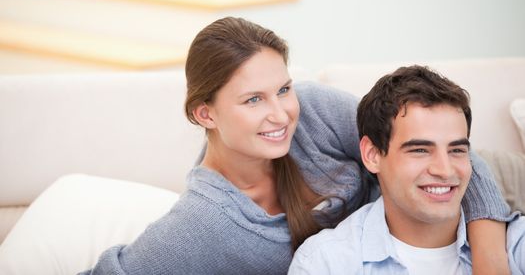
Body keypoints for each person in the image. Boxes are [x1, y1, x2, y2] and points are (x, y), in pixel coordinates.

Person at [82, 18, 512, 274]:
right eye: (253, 100)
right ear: (205, 114)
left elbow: (447, 148)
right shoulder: (201, 226)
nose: (282, 114)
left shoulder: (313, 109)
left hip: (480, 182)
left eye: (283, 89)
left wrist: (490, 263)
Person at [288, 65, 525, 274]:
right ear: (372, 155)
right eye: (420, 150)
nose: (444, 170)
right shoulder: (325, 263)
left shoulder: (516, 246)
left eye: (457, 150)